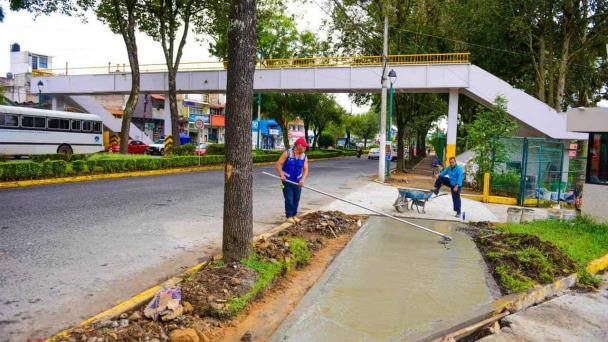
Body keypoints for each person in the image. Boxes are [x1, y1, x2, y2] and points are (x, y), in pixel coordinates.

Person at [275, 137, 309, 224]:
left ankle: (294, 215)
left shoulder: (304, 156)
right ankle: (289, 216)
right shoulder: (287, 153)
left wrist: (302, 179)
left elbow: (306, 169)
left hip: (298, 182)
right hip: (287, 181)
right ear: (299, 145)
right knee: (289, 199)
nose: (305, 148)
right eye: (304, 146)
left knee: (296, 199)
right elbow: (278, 165)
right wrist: (281, 174)